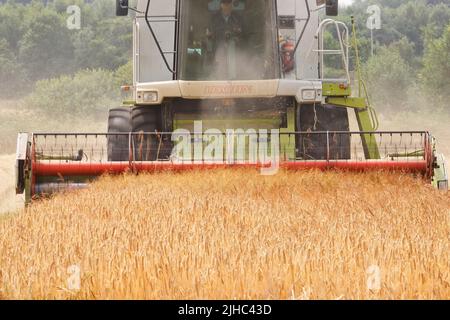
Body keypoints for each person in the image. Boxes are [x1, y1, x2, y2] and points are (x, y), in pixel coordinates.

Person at [206, 0, 244, 79]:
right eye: (224, 3)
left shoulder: (238, 18)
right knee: (219, 72)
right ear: (221, 5)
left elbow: (244, 34)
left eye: (229, 3)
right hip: (218, 49)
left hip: (236, 52)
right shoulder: (214, 19)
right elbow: (209, 34)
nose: (227, 6)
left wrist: (237, 37)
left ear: (231, 5)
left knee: (237, 73)